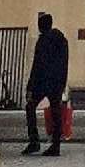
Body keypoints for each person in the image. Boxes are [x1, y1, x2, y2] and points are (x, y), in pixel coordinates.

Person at [26, 10, 70, 156]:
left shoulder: (43, 41)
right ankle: (56, 145)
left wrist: (31, 86)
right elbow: (65, 63)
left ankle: (34, 141)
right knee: (56, 112)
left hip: (42, 82)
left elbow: (37, 65)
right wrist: (62, 82)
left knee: (30, 107)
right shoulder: (62, 40)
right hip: (57, 82)